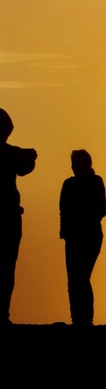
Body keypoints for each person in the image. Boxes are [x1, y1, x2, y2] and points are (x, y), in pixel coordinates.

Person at [59, 150, 106, 326]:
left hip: (89, 236)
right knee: (74, 280)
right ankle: (77, 319)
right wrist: (65, 232)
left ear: (87, 164)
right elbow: (63, 209)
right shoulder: (68, 184)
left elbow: (102, 210)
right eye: (73, 164)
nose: (74, 167)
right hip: (74, 236)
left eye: (77, 163)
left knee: (81, 278)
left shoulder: (96, 181)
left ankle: (85, 319)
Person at [1, 108, 38, 326]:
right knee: (7, 267)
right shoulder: (11, 153)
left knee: (6, 266)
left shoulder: (12, 153)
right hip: (8, 217)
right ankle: (2, 314)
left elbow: (24, 167)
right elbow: (25, 168)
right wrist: (29, 156)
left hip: (9, 216)